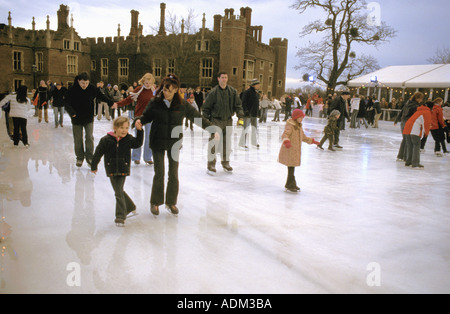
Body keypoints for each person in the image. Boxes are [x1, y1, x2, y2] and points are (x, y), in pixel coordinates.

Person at [134, 74, 218, 217]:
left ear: (175, 90)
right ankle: (155, 202)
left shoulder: (182, 104)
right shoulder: (155, 102)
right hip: (158, 141)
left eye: (169, 90)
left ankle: (171, 202)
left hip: (174, 143)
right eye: (165, 89)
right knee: (159, 173)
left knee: (173, 173)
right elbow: (146, 116)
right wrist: (139, 121)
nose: (166, 93)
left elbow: (198, 118)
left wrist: (212, 129)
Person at [91, 116, 144, 227]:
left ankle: (120, 215)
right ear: (115, 127)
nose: (124, 130)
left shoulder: (128, 139)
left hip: (123, 168)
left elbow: (138, 143)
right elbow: (98, 152)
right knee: (119, 190)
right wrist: (94, 165)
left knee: (118, 192)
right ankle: (130, 206)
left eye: (126, 128)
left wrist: (139, 131)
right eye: (121, 128)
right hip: (111, 168)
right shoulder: (106, 140)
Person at [65, 72, 114, 168]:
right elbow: (66, 103)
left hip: (88, 117)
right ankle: (79, 157)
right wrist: (72, 113)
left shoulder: (91, 88)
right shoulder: (72, 90)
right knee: (78, 139)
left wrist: (110, 102)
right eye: (83, 83)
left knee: (89, 137)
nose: (85, 85)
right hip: (76, 118)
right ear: (79, 81)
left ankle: (89, 157)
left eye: (86, 83)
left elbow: (101, 96)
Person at [202, 71, 244, 173]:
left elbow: (238, 105)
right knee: (214, 142)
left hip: (228, 120)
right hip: (216, 121)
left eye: (225, 77)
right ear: (218, 79)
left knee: (226, 143)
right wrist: (207, 122)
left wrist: (241, 117)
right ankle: (211, 164)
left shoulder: (232, 92)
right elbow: (206, 108)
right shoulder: (213, 92)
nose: (224, 79)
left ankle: (225, 162)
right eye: (222, 77)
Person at [114, 73, 156, 165]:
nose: (148, 84)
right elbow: (129, 99)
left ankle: (148, 157)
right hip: (139, 117)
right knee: (138, 138)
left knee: (149, 137)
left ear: (152, 82)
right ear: (143, 81)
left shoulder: (154, 91)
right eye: (146, 82)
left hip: (150, 117)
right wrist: (118, 104)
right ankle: (136, 157)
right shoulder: (139, 89)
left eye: (149, 82)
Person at [278, 109, 319, 193]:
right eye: (300, 117)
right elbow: (285, 134)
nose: (301, 119)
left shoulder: (299, 126)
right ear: (296, 117)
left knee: (291, 168)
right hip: (289, 149)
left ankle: (290, 184)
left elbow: (303, 137)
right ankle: (290, 185)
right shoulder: (290, 126)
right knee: (291, 168)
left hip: (295, 150)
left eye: (302, 117)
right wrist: (286, 141)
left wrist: (312, 141)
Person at [394, 92, 423, 162]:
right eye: (421, 99)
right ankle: (404, 156)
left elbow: (401, 112)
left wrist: (396, 120)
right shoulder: (415, 106)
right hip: (408, 123)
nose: (421, 100)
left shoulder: (408, 103)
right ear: (417, 98)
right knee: (407, 139)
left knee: (405, 139)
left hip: (403, 122)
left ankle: (402, 156)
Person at [403, 102, 431, 169]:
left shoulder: (418, 111)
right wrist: (426, 133)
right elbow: (426, 123)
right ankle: (415, 163)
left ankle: (408, 162)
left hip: (407, 129)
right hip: (414, 130)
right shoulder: (426, 112)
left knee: (410, 146)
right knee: (416, 145)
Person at [239, 78, 260, 149]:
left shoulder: (256, 93)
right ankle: (242, 143)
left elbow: (256, 104)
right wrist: (246, 111)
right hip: (248, 113)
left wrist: (258, 112)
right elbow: (243, 102)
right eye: (257, 84)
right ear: (254, 85)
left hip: (254, 113)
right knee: (246, 128)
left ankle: (254, 142)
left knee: (254, 128)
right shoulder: (247, 92)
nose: (259, 85)